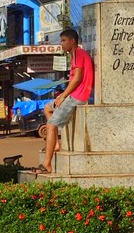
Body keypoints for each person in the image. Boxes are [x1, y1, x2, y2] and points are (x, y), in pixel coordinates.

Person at [33, 27, 93, 176]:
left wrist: (63, 96)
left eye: (64, 40)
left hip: (78, 96)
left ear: (73, 41)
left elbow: (78, 78)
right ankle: (56, 144)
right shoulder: (73, 55)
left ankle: (46, 164)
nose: (62, 44)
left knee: (51, 125)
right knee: (47, 108)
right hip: (73, 95)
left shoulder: (78, 53)